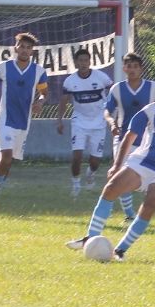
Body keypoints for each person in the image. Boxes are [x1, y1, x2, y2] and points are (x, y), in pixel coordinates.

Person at [66, 74, 155, 261]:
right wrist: (117, 165)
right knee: (111, 188)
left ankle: (120, 251)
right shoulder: (152, 110)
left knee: (149, 207)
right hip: (143, 162)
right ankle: (90, 238)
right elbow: (128, 137)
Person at [0, 32, 48, 216]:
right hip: (5, 119)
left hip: (24, 122)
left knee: (8, 164)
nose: (25, 50)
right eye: (22, 46)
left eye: (28, 47)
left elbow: (43, 92)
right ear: (15, 47)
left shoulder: (39, 71)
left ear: (32, 51)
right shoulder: (4, 67)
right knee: (5, 158)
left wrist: (40, 101)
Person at [104, 52, 155, 221]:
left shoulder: (153, 88)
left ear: (141, 69)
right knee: (120, 175)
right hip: (124, 138)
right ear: (124, 68)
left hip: (147, 141)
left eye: (135, 66)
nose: (132, 69)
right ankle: (130, 215)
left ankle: (143, 211)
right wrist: (112, 123)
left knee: (148, 179)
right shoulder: (117, 89)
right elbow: (107, 111)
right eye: (129, 66)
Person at [57, 49, 113, 197]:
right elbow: (63, 101)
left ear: (90, 62)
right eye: (80, 60)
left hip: (99, 122)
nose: (83, 63)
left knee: (95, 161)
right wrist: (60, 120)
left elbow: (113, 93)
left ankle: (90, 173)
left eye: (85, 60)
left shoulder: (101, 77)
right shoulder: (70, 81)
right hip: (79, 122)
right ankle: (76, 185)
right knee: (77, 156)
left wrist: (112, 115)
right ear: (76, 62)